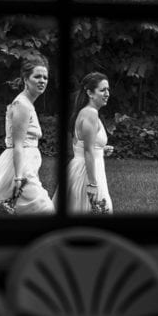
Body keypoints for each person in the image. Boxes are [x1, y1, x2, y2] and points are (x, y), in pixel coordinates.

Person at [0, 55, 55, 215]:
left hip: (26, 165)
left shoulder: (27, 104)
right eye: (37, 76)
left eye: (45, 77)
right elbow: (18, 144)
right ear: (26, 79)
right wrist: (18, 177)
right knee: (45, 209)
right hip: (20, 168)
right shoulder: (22, 105)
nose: (42, 80)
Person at [66, 72, 115, 214]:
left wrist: (101, 149)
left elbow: (81, 145)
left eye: (108, 90)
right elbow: (87, 151)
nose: (107, 93)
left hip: (87, 166)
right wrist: (93, 184)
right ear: (90, 93)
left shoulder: (86, 112)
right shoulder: (90, 114)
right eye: (102, 90)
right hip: (86, 172)